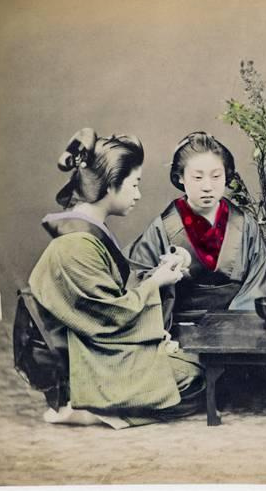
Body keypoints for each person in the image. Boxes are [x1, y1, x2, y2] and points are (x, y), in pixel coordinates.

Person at [28, 128, 203, 428]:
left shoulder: (85, 233)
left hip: (98, 344)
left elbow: (112, 294)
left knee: (193, 366)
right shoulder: (73, 244)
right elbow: (107, 314)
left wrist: (158, 274)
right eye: (134, 184)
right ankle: (89, 407)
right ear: (111, 185)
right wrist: (155, 283)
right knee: (193, 378)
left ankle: (95, 404)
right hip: (85, 357)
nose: (138, 194)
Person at [127, 131, 266, 326]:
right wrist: (163, 276)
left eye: (216, 176)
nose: (207, 186)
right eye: (197, 177)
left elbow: (256, 287)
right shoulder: (163, 227)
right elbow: (139, 282)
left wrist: (233, 328)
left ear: (226, 176)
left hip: (234, 329)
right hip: (176, 330)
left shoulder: (245, 225)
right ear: (181, 178)